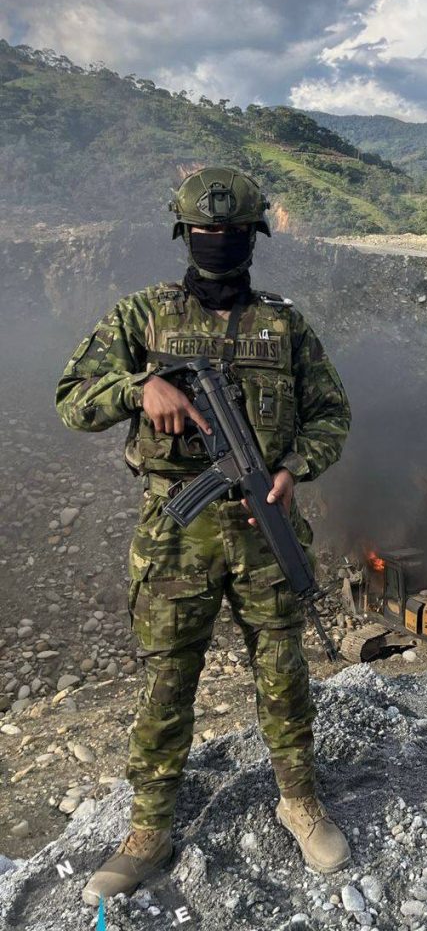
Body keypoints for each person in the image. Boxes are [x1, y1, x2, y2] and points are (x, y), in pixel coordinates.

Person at [56, 167, 353, 904]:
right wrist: (139, 388)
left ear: (253, 237)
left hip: (263, 526)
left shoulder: (284, 325)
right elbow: (72, 399)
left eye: (231, 232)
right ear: (184, 234)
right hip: (174, 535)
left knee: (282, 673)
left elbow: (331, 415)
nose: (217, 241)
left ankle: (299, 801)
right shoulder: (141, 316)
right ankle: (148, 830)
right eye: (204, 231)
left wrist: (291, 468)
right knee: (167, 681)